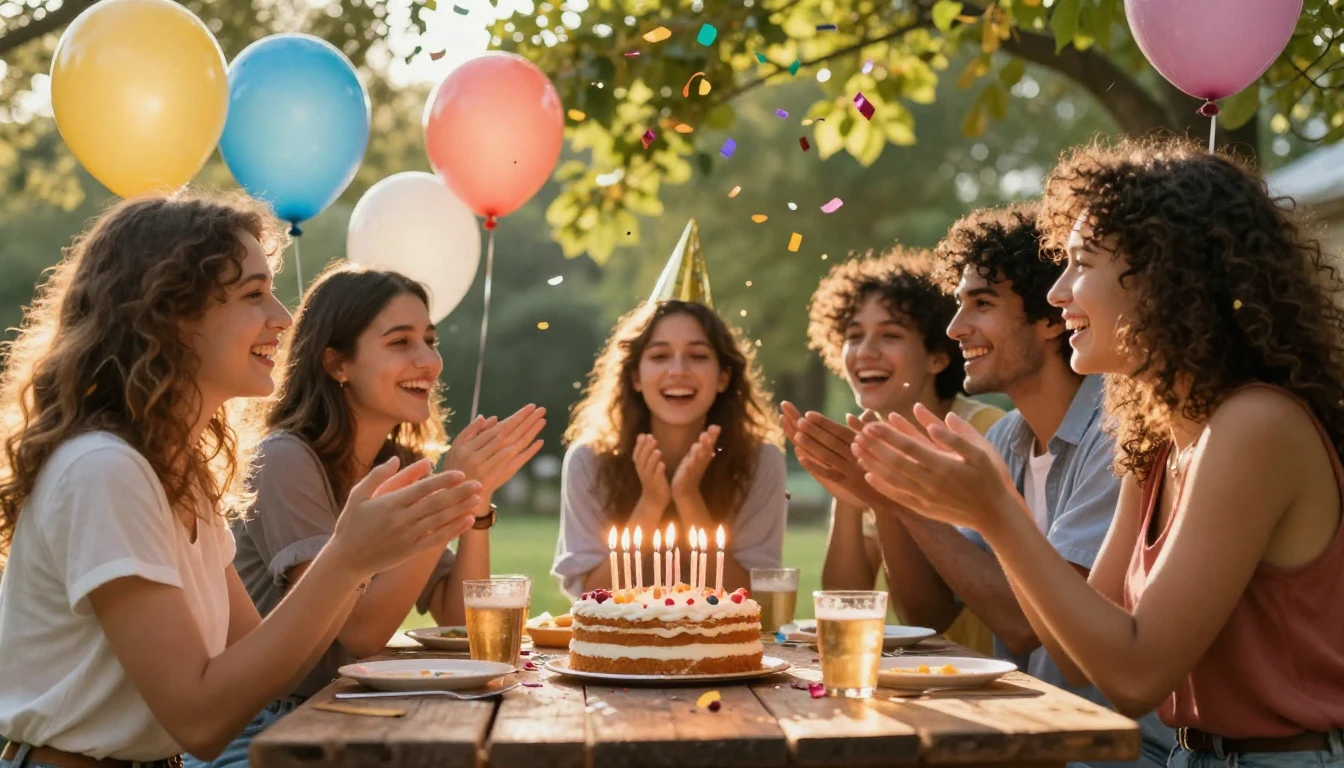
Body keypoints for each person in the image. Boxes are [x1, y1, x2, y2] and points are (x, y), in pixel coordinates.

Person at [856, 137, 1344, 767]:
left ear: (1164, 275)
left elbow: (1135, 677)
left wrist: (995, 514)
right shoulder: (1155, 436)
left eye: (1080, 264)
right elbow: (1074, 656)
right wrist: (989, 509)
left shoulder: (1255, 425)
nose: (1058, 292)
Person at [0, 193, 483, 768]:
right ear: (170, 315)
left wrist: (361, 558)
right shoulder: (104, 471)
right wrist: (347, 559)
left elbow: (271, 665)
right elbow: (201, 721)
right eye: (254, 294)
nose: (283, 317)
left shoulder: (181, 473)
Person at [785, 202, 1171, 767]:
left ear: (1049, 318)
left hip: (1115, 749)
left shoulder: (1118, 436)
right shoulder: (1008, 438)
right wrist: (884, 499)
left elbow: (1023, 626)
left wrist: (902, 500)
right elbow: (932, 612)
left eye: (981, 304)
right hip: (1027, 735)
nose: (955, 328)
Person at [184, 264, 546, 768]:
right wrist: (452, 490)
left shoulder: (394, 465)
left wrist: (474, 499)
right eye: (400, 342)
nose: (429, 361)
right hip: (267, 728)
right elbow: (358, 631)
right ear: (337, 363)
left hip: (347, 712)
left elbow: (457, 614)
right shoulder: (285, 460)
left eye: (430, 340)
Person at [790, 246, 1002, 655]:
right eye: (854, 336)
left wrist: (877, 492)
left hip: (994, 676)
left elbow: (931, 616)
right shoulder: (870, 440)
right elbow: (843, 606)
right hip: (929, 676)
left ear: (937, 357)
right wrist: (846, 489)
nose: (865, 351)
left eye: (890, 335)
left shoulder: (983, 433)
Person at [553, 300, 787, 597]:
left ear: (723, 377)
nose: (678, 370)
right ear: (635, 376)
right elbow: (589, 597)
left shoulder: (761, 461)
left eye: (698, 356)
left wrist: (688, 497)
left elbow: (754, 596)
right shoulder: (589, 459)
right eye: (660, 356)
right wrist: (651, 502)